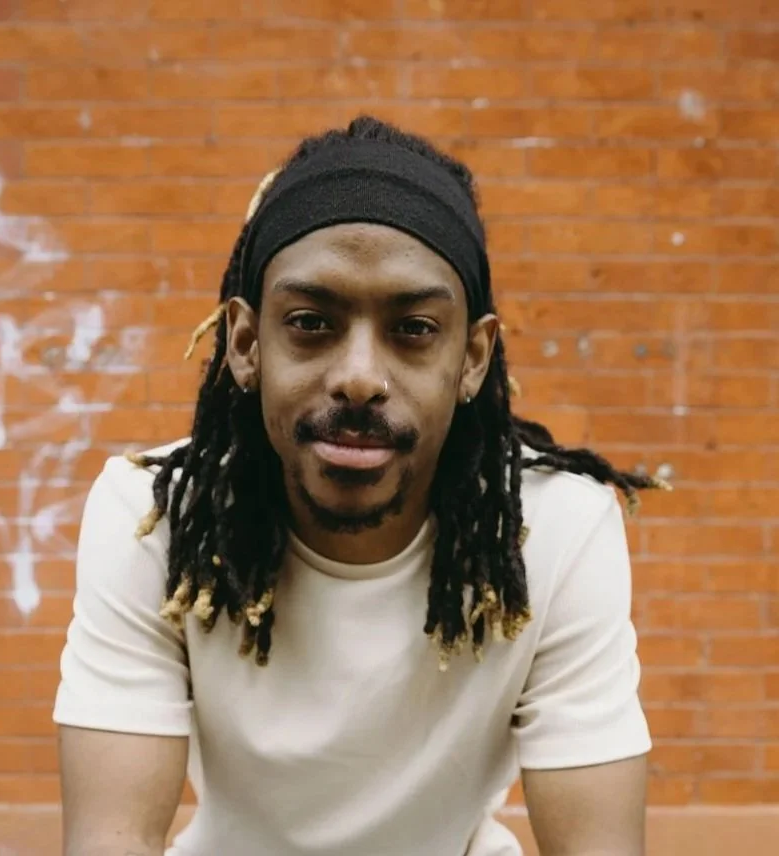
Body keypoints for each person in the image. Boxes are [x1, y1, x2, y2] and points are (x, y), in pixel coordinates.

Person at [54, 116, 666, 856]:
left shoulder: (556, 529)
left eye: (412, 330)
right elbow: (111, 839)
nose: (358, 377)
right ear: (246, 344)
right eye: (311, 322)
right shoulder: (155, 519)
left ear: (473, 358)